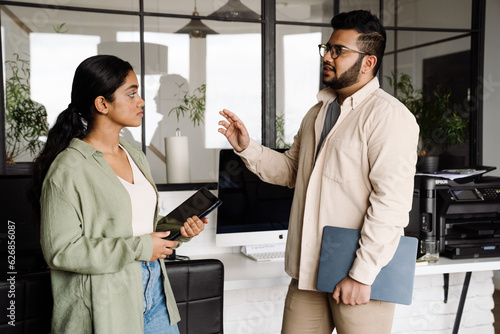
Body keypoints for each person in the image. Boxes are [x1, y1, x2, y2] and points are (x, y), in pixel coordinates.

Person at [218, 10, 419, 334]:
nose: (328, 56)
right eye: (327, 48)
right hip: (308, 272)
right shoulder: (317, 113)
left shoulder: (390, 117)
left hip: (359, 275)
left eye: (339, 50)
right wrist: (247, 147)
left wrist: (361, 274)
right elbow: (293, 171)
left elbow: (391, 205)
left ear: (368, 62)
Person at [29, 55, 207, 333]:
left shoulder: (135, 154)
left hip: (156, 291)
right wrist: (141, 247)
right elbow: (61, 251)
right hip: (106, 303)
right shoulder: (68, 168)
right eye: (132, 93)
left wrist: (179, 230)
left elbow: (137, 224)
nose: (142, 101)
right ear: (102, 104)